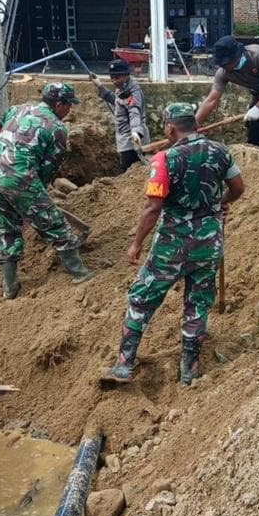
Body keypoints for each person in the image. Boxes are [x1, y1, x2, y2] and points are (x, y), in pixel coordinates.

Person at [100, 103, 245, 385]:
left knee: (142, 298)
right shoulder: (221, 151)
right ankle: (188, 371)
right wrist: (219, 204)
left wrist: (136, 244)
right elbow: (238, 189)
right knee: (198, 303)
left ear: (170, 127)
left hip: (172, 244)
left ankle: (123, 364)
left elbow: (152, 208)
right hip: (209, 242)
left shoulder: (164, 159)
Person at [0, 83, 96, 299]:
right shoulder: (57, 127)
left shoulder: (16, 109)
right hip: (22, 181)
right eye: (68, 105)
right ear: (59, 104)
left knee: (6, 230)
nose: (70, 110)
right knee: (56, 225)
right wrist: (36, 194)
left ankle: (10, 287)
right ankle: (80, 272)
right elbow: (49, 166)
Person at [93, 59, 149, 172]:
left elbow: (134, 112)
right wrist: (100, 86)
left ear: (126, 75)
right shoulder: (123, 88)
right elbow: (117, 101)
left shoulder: (133, 92)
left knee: (130, 171)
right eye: (112, 78)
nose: (114, 81)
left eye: (117, 78)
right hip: (125, 138)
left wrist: (136, 132)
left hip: (131, 140)